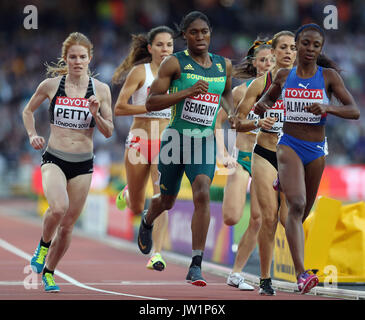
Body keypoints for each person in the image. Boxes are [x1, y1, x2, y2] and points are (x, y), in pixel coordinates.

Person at [254, 23, 360, 294]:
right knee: (297, 204)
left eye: (316, 45)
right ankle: (302, 274)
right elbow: (265, 101)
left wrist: (327, 107)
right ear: (297, 44)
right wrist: (261, 107)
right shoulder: (283, 75)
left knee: (302, 213)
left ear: (320, 49)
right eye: (305, 43)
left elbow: (354, 111)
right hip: (288, 144)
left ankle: (284, 181)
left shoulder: (329, 77)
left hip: (316, 150)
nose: (310, 49)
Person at [136, 11, 236, 286]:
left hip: (203, 141)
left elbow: (226, 93)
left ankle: (196, 264)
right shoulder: (174, 64)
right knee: (166, 201)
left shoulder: (223, 65)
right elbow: (151, 102)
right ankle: (147, 219)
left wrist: (232, 112)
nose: (200, 36)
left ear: (210, 33)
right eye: (194, 32)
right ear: (184, 36)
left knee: (202, 192)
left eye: (204, 31)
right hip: (175, 140)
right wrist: (186, 93)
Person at [22, 32, 114, 292]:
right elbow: (27, 110)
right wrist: (32, 134)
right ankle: (41, 247)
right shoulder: (51, 85)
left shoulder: (101, 91)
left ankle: (50, 272)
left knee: (68, 226)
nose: (77, 61)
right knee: (58, 208)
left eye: (82, 57)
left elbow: (109, 132)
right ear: (65, 58)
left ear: (90, 59)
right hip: (55, 157)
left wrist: (96, 114)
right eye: (72, 57)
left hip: (83, 163)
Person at [234, 30, 296, 295]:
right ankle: (265, 278)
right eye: (282, 48)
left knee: (290, 217)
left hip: (295, 156)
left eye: (292, 47)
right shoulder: (260, 85)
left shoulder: (309, 81)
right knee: (267, 217)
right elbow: (237, 122)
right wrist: (259, 122)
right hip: (265, 153)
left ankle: (302, 272)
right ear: (274, 52)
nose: (288, 52)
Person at [113, 26, 174, 272]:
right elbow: (120, 108)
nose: (165, 49)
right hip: (139, 140)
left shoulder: (178, 75)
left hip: (166, 142)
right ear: (150, 48)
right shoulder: (141, 72)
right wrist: (149, 107)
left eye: (169, 45)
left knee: (162, 197)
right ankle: (128, 193)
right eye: (160, 44)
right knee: (137, 206)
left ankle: (157, 254)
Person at [215, 39, 275, 291]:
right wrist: (223, 153)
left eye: (271, 60)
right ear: (254, 63)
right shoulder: (241, 91)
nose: (267, 65)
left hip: (266, 158)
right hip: (242, 158)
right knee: (231, 217)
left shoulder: (284, 91)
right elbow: (218, 122)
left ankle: (236, 273)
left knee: (259, 218)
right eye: (263, 60)